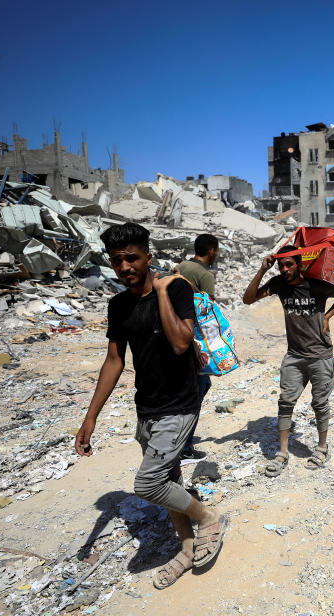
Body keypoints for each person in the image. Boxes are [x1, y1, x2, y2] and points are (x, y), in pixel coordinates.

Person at [75, 222, 228, 590]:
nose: (126, 267)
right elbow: (114, 361)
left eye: (132, 258)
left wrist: (160, 292)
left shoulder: (175, 288)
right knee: (169, 479)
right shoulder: (119, 305)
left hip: (180, 404)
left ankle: (208, 518)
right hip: (148, 407)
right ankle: (188, 548)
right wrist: (89, 417)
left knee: (148, 482)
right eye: (117, 261)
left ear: (148, 256)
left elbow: (180, 342)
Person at [242, 245, 334, 476]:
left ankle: (322, 448)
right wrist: (262, 270)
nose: (284, 268)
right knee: (285, 402)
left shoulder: (315, 284)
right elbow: (248, 299)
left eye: (289, 264)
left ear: (299, 264)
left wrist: (327, 317)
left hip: (320, 355)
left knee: (320, 404)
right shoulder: (278, 285)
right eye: (281, 265)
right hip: (294, 356)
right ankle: (282, 453)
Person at [172, 233, 220, 462]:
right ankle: (185, 448)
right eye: (216, 250)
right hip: (194, 342)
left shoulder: (180, 267)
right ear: (211, 250)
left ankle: (177, 440)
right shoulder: (204, 275)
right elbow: (206, 314)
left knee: (197, 387)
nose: (217, 255)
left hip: (174, 336)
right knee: (197, 391)